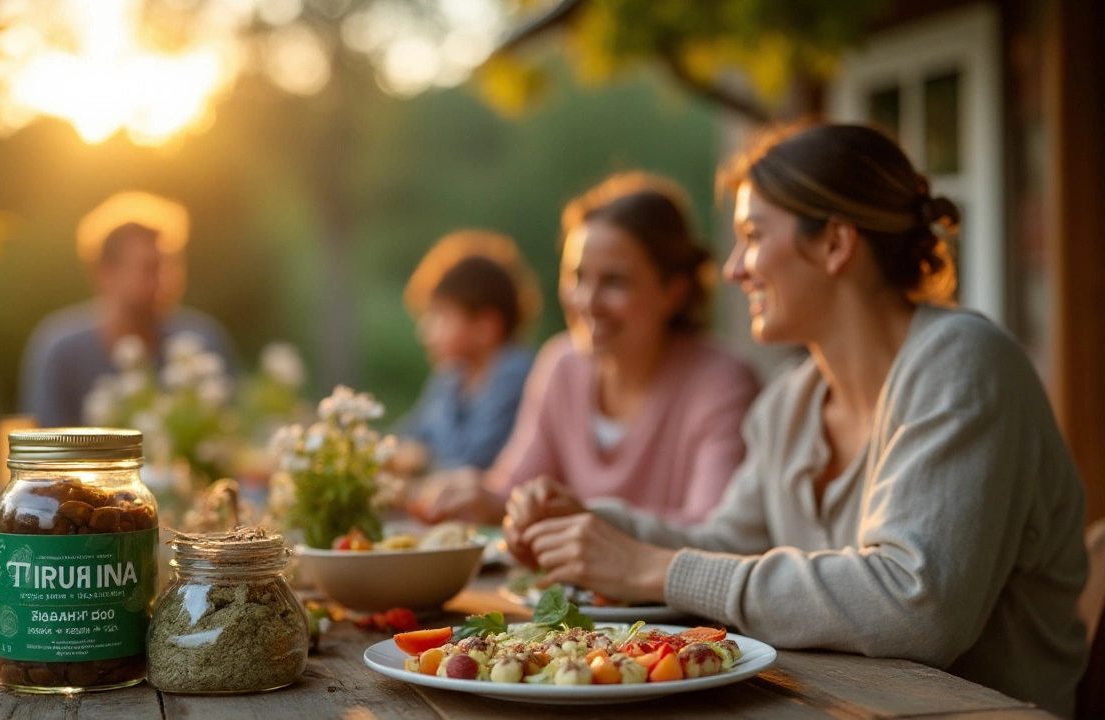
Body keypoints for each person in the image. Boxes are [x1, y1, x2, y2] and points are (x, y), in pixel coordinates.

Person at [504, 124, 1088, 717]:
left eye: (753, 236)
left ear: (835, 243)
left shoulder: (962, 362)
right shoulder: (789, 402)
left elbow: (918, 607)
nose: (734, 269)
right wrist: (590, 524)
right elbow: (727, 543)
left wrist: (654, 568)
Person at [413, 172, 760, 525]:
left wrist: (583, 519)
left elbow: (715, 530)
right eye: (577, 277)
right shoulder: (561, 365)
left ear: (675, 291)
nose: (588, 302)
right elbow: (512, 490)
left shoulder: (720, 382)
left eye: (614, 281)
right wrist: (478, 496)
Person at [20, 192, 239, 427]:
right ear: (105, 274)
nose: (164, 282)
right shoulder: (61, 351)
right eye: (149, 269)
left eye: (171, 267)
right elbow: (44, 450)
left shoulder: (203, 341)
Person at [393, 230, 541, 474]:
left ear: (486, 327)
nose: (426, 333)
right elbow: (406, 437)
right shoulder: (451, 378)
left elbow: (475, 464)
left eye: (441, 318)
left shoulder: (515, 376)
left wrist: (420, 460)